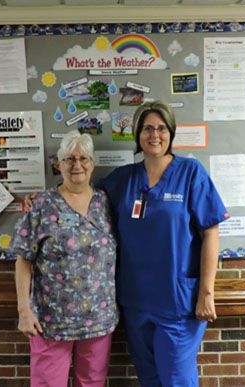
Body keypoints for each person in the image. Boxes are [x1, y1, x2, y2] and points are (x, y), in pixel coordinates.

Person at [95, 100, 229, 386]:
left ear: (171, 133)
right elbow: (81, 196)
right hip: (136, 300)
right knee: (150, 378)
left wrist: (207, 292)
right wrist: (48, 197)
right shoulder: (124, 179)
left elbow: (211, 233)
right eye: (147, 128)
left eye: (161, 128)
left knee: (177, 379)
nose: (154, 135)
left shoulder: (191, 173)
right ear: (137, 134)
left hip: (178, 302)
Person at [11, 130, 118, 387]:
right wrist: (23, 309)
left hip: (98, 319)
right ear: (59, 164)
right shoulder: (42, 204)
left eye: (84, 158)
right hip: (50, 321)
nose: (77, 165)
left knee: (92, 382)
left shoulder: (108, 203)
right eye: (70, 158)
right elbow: (24, 259)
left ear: (92, 164)